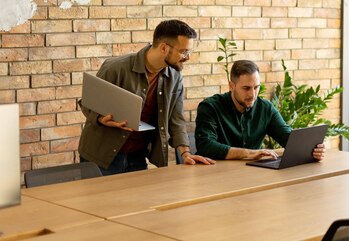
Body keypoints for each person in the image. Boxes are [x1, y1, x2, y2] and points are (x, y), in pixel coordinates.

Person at [78, 19, 215, 175]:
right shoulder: (115, 68)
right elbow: (88, 103)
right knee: (100, 200)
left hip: (138, 156)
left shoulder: (175, 77)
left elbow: (176, 119)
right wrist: (100, 118)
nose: (187, 57)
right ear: (164, 47)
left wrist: (185, 153)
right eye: (184, 51)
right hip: (100, 157)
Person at [195, 60, 325, 161]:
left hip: (250, 174)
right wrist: (249, 153)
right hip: (214, 174)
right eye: (246, 88)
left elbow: (288, 138)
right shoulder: (210, 107)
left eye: (256, 87)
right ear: (231, 86)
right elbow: (206, 145)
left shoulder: (265, 108)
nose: (253, 94)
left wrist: (312, 150)